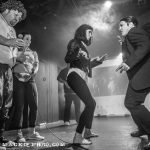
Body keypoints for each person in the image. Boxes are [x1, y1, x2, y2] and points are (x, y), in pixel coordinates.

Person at [65, 24, 107, 145]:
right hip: (74, 75)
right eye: (90, 32)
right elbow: (67, 58)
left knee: (92, 104)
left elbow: (86, 67)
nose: (91, 35)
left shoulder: (83, 46)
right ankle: (78, 137)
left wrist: (98, 61)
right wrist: (76, 54)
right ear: (82, 32)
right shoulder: (75, 42)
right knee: (90, 103)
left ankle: (87, 132)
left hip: (81, 75)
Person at [116, 16, 150, 149]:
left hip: (143, 76)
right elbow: (129, 54)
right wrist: (123, 43)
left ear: (130, 24)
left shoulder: (134, 31)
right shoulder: (129, 36)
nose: (119, 28)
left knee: (131, 103)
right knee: (132, 103)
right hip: (139, 76)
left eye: (122, 25)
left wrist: (128, 64)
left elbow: (146, 44)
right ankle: (142, 129)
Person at [0, 0, 27, 147]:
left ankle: (1, 136)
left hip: (8, 69)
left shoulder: (12, 30)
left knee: (6, 105)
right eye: (16, 14)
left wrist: (18, 57)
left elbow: (12, 51)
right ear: (8, 9)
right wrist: (8, 41)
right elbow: (7, 42)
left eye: (19, 18)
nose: (17, 19)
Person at [12, 33, 44, 142]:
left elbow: (36, 64)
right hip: (17, 79)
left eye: (30, 39)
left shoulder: (33, 53)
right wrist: (18, 58)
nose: (29, 41)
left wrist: (32, 72)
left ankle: (32, 132)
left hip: (30, 79)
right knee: (19, 106)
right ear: (21, 39)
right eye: (26, 38)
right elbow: (11, 62)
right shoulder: (14, 49)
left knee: (34, 105)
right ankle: (18, 134)